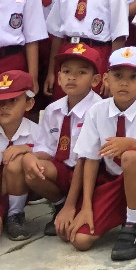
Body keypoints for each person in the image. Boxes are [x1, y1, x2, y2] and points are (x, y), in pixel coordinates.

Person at [68, 45, 136, 260]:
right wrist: (86, 207)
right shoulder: (96, 112)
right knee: (80, 240)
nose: (124, 83)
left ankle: (134, 226)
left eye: (133, 77)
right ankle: (126, 211)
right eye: (117, 76)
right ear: (106, 79)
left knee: (131, 156)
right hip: (115, 183)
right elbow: (90, 159)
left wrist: (132, 144)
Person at [28, 43, 103, 241]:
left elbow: (88, 159)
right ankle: (60, 205)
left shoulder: (100, 109)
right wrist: (29, 158)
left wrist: (72, 206)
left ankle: (74, 206)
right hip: (63, 169)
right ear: (59, 77)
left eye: (81, 72)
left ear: (95, 80)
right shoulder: (52, 110)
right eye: (66, 71)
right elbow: (46, 148)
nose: (72, 77)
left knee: (76, 236)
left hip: (91, 175)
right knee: (31, 169)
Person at [0, 68, 40, 242]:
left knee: (18, 161)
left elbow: (49, 157)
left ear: (29, 104)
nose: (4, 106)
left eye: (13, 100)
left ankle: (15, 215)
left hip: (20, 190)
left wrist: (26, 149)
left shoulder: (37, 132)